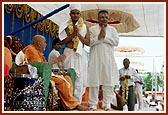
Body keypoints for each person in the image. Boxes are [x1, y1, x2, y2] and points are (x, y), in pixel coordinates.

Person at [22, 35, 89, 111]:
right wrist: (57, 60)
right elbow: (40, 68)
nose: (46, 44)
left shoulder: (38, 52)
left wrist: (57, 73)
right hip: (38, 76)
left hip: (46, 74)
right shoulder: (31, 50)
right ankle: (74, 105)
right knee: (63, 81)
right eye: (44, 42)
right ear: (39, 43)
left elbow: (46, 67)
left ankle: (68, 104)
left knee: (67, 78)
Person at [87, 10, 119, 111]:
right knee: (94, 82)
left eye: (106, 17)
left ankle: (107, 105)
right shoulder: (92, 29)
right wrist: (99, 37)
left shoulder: (113, 30)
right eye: (102, 17)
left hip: (108, 59)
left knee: (108, 82)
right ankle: (92, 105)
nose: (104, 19)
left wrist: (104, 37)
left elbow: (116, 42)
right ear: (98, 18)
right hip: (95, 58)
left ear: (108, 19)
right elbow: (90, 42)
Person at [58, 4, 90, 104]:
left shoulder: (84, 26)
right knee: (68, 76)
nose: (75, 15)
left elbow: (88, 42)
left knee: (80, 78)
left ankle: (77, 103)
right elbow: (61, 41)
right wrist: (72, 35)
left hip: (80, 54)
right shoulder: (65, 25)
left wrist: (78, 35)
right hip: (69, 53)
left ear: (80, 14)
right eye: (73, 13)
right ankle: (68, 102)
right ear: (70, 14)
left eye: (77, 13)